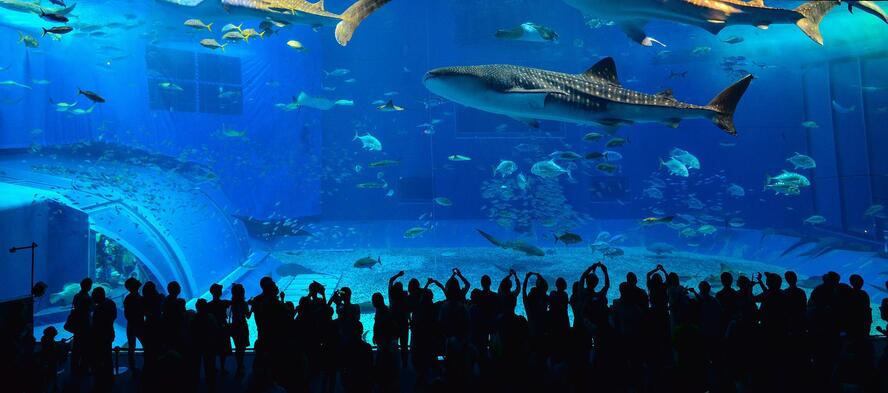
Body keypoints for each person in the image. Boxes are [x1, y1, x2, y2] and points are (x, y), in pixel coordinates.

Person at [91, 287, 117, 392]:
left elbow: (95, 325)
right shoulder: (110, 303)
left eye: (94, 295)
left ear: (98, 296)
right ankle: (109, 377)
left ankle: (99, 381)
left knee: (98, 357)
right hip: (109, 333)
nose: (92, 297)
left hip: (99, 337)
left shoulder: (99, 309)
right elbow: (114, 316)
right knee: (107, 356)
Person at [68, 278, 93, 375]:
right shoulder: (87, 298)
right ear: (89, 286)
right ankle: (84, 367)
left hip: (77, 324)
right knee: (85, 346)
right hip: (85, 324)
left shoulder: (76, 296)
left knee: (76, 344)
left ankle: (74, 366)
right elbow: (91, 309)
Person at [207, 283, 231, 373]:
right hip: (222, 327)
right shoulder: (224, 303)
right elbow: (234, 301)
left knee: (213, 349)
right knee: (223, 349)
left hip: (213, 329)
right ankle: (222, 367)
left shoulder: (208, 305)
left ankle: (213, 367)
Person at [228, 283, 251, 376]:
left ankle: (239, 365)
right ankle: (241, 365)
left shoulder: (231, 303)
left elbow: (229, 315)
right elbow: (248, 316)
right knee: (242, 347)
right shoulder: (244, 303)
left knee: (238, 347)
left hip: (234, 326)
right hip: (242, 326)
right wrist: (252, 307)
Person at [123, 277, 143, 372]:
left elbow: (126, 314)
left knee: (131, 347)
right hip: (138, 324)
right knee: (145, 344)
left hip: (131, 324)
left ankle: (132, 367)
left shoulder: (128, 297)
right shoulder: (138, 298)